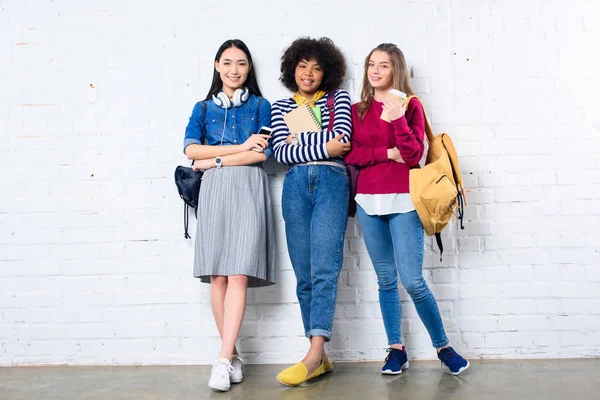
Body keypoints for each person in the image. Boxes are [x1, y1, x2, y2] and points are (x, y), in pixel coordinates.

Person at [345, 43, 470, 376]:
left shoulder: (411, 105)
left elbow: (413, 155)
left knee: (413, 281)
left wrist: (399, 120)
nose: (375, 70)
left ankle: (443, 347)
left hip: (404, 200)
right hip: (368, 201)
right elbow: (352, 156)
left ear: (395, 70)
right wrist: (387, 153)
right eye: (371, 64)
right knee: (386, 280)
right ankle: (396, 349)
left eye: (383, 65)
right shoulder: (357, 110)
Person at [183, 39, 276, 392]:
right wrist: (238, 147)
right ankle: (232, 353)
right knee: (218, 276)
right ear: (217, 65)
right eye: (227, 62)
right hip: (215, 192)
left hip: (248, 188)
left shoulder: (261, 106)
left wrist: (214, 160)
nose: (234, 70)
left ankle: (221, 361)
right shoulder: (204, 108)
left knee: (238, 273)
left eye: (241, 63)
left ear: (249, 68)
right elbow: (191, 150)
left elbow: (260, 154)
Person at [270, 37, 352, 386]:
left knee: (323, 267)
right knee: (304, 272)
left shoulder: (340, 99)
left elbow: (343, 141)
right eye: (303, 66)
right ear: (293, 69)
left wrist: (300, 143)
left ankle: (314, 352)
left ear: (326, 72)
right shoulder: (279, 107)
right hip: (294, 187)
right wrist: (323, 143)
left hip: (332, 181)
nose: (309, 73)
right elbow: (280, 153)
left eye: (317, 67)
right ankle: (319, 356)